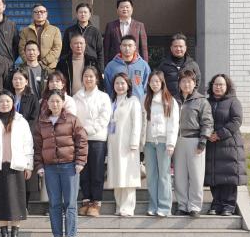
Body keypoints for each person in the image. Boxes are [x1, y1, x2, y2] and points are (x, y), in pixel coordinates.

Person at [34, 91, 87, 237]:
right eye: (52, 101)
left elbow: (82, 141)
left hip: (69, 166)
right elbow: (37, 146)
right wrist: (39, 165)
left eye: (58, 101)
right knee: (54, 203)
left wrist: (80, 162)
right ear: (47, 103)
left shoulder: (72, 119)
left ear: (63, 102)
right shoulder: (41, 121)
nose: (55, 104)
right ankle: (57, 236)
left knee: (70, 202)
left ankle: (71, 236)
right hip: (50, 167)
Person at [0, 90, 34, 237]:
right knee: (0, 201)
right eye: (1, 101)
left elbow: (28, 145)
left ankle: (15, 236)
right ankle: (4, 235)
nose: (4, 104)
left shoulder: (21, 121)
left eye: (7, 101)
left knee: (17, 202)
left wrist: (28, 165)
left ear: (13, 103)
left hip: (16, 166)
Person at [173, 70, 214, 217]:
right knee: (180, 176)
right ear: (179, 83)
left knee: (196, 175)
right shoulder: (174, 100)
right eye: (183, 81)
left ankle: (195, 206)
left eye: (189, 81)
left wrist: (203, 140)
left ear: (194, 83)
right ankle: (182, 205)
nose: (186, 84)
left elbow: (207, 122)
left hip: (195, 141)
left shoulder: (201, 101)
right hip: (178, 141)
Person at [205, 74, 246, 216]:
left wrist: (219, 134)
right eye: (215, 84)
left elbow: (236, 121)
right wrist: (208, 134)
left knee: (228, 176)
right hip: (212, 145)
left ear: (227, 86)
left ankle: (228, 205)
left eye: (221, 84)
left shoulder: (233, 102)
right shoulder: (207, 102)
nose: (218, 87)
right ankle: (216, 204)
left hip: (229, 145)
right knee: (214, 176)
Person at [72, 66, 111, 218]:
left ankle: (96, 202)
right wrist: (80, 132)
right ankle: (86, 200)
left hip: (97, 138)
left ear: (97, 79)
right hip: (80, 139)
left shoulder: (103, 97)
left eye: (91, 76)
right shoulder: (76, 97)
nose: (88, 79)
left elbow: (104, 118)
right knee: (83, 171)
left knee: (97, 172)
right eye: (86, 76)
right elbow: (73, 117)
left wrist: (87, 130)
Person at [105, 72, 143, 217]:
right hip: (114, 143)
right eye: (117, 83)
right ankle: (119, 205)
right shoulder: (112, 102)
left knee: (128, 176)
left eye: (122, 83)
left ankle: (128, 207)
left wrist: (134, 142)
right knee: (117, 174)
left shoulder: (133, 101)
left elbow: (137, 123)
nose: (120, 86)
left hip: (128, 144)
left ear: (128, 85)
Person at [143, 70, 179, 217]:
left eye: (157, 81)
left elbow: (173, 124)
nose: (154, 84)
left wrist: (171, 143)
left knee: (164, 175)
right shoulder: (145, 99)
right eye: (152, 81)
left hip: (163, 142)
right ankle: (153, 205)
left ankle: (164, 207)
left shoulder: (170, 100)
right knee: (151, 175)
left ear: (162, 83)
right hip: (149, 142)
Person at [8, 69, 40, 208]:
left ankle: (24, 205)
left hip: (25, 139)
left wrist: (22, 132)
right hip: (8, 138)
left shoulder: (32, 98)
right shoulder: (8, 96)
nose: (17, 81)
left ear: (26, 81)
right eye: (15, 79)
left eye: (20, 79)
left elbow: (34, 119)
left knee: (24, 171)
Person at [102, 0, 149, 65]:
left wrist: (145, 65)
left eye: (127, 7)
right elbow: (106, 49)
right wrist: (106, 66)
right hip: (115, 64)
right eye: (122, 7)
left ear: (132, 9)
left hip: (135, 64)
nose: (125, 9)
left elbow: (144, 49)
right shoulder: (110, 26)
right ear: (117, 10)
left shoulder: (139, 26)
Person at [103, 35, 150, 100]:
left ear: (135, 47)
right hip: (117, 103)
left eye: (130, 46)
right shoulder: (111, 66)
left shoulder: (143, 65)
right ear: (120, 47)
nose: (127, 48)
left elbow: (147, 87)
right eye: (124, 45)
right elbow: (108, 87)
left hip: (138, 103)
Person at [19, 3, 63, 71]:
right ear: (32, 15)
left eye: (42, 12)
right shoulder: (25, 31)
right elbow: (21, 49)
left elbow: (57, 48)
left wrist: (44, 62)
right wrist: (29, 62)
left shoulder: (55, 30)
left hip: (49, 67)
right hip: (30, 67)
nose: (39, 14)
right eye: (36, 12)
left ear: (46, 14)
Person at [158, 33, 203, 98]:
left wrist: (190, 96)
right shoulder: (164, 65)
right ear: (171, 48)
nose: (178, 49)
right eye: (175, 46)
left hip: (187, 100)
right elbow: (159, 82)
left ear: (185, 48)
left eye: (181, 46)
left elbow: (198, 81)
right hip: (169, 100)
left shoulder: (192, 64)